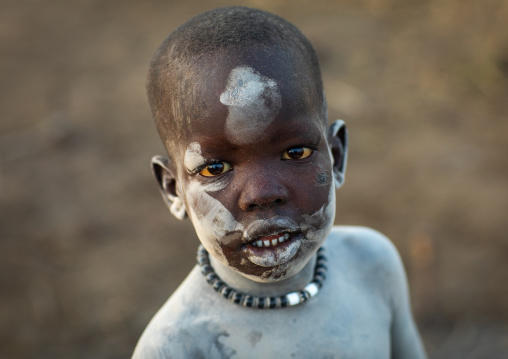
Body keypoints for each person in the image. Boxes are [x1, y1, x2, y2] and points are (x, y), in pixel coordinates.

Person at [132, 6, 426, 359]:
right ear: (173, 189)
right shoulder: (175, 346)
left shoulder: (373, 265)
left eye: (296, 152)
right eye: (214, 169)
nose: (263, 193)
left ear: (337, 156)